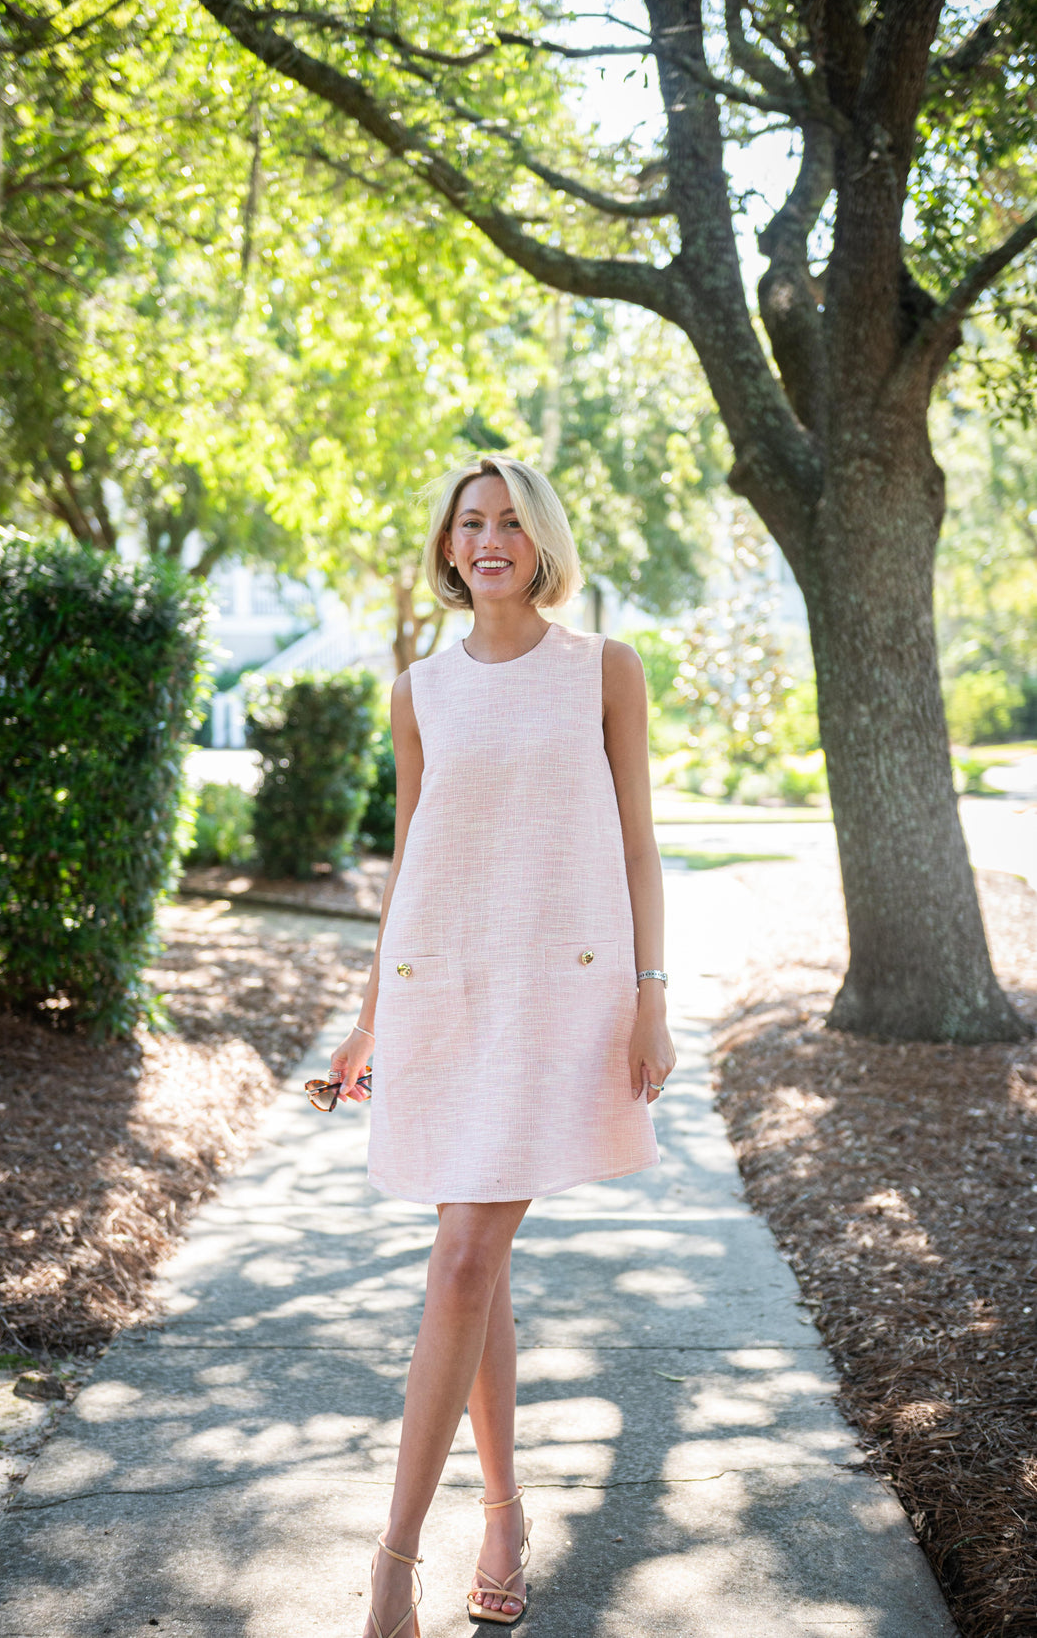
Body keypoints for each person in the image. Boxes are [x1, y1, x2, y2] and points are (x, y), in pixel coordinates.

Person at [326, 455, 677, 1638]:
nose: (488, 540)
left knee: (464, 1260)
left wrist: (650, 996)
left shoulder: (602, 669)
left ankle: (391, 1563)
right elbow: (410, 861)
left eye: (510, 523)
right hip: (443, 995)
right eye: (469, 522)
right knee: (475, 1270)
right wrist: (367, 1018)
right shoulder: (418, 689)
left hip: (558, 997)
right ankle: (504, 1515)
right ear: (447, 544)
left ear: (541, 544)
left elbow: (636, 844)